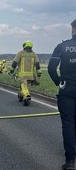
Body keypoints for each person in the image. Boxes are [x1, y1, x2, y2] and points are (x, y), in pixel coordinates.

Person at [48, 19, 76, 170]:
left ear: (72, 29)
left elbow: (52, 69)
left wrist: (59, 82)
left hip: (67, 90)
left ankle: (70, 161)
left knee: (68, 124)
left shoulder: (62, 46)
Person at [9, 40, 42, 106]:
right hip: (30, 76)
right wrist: (39, 73)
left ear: (25, 46)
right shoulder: (34, 54)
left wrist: (11, 70)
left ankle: (26, 96)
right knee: (23, 87)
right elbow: (37, 64)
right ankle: (21, 96)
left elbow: (14, 63)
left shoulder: (20, 53)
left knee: (23, 86)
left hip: (22, 75)